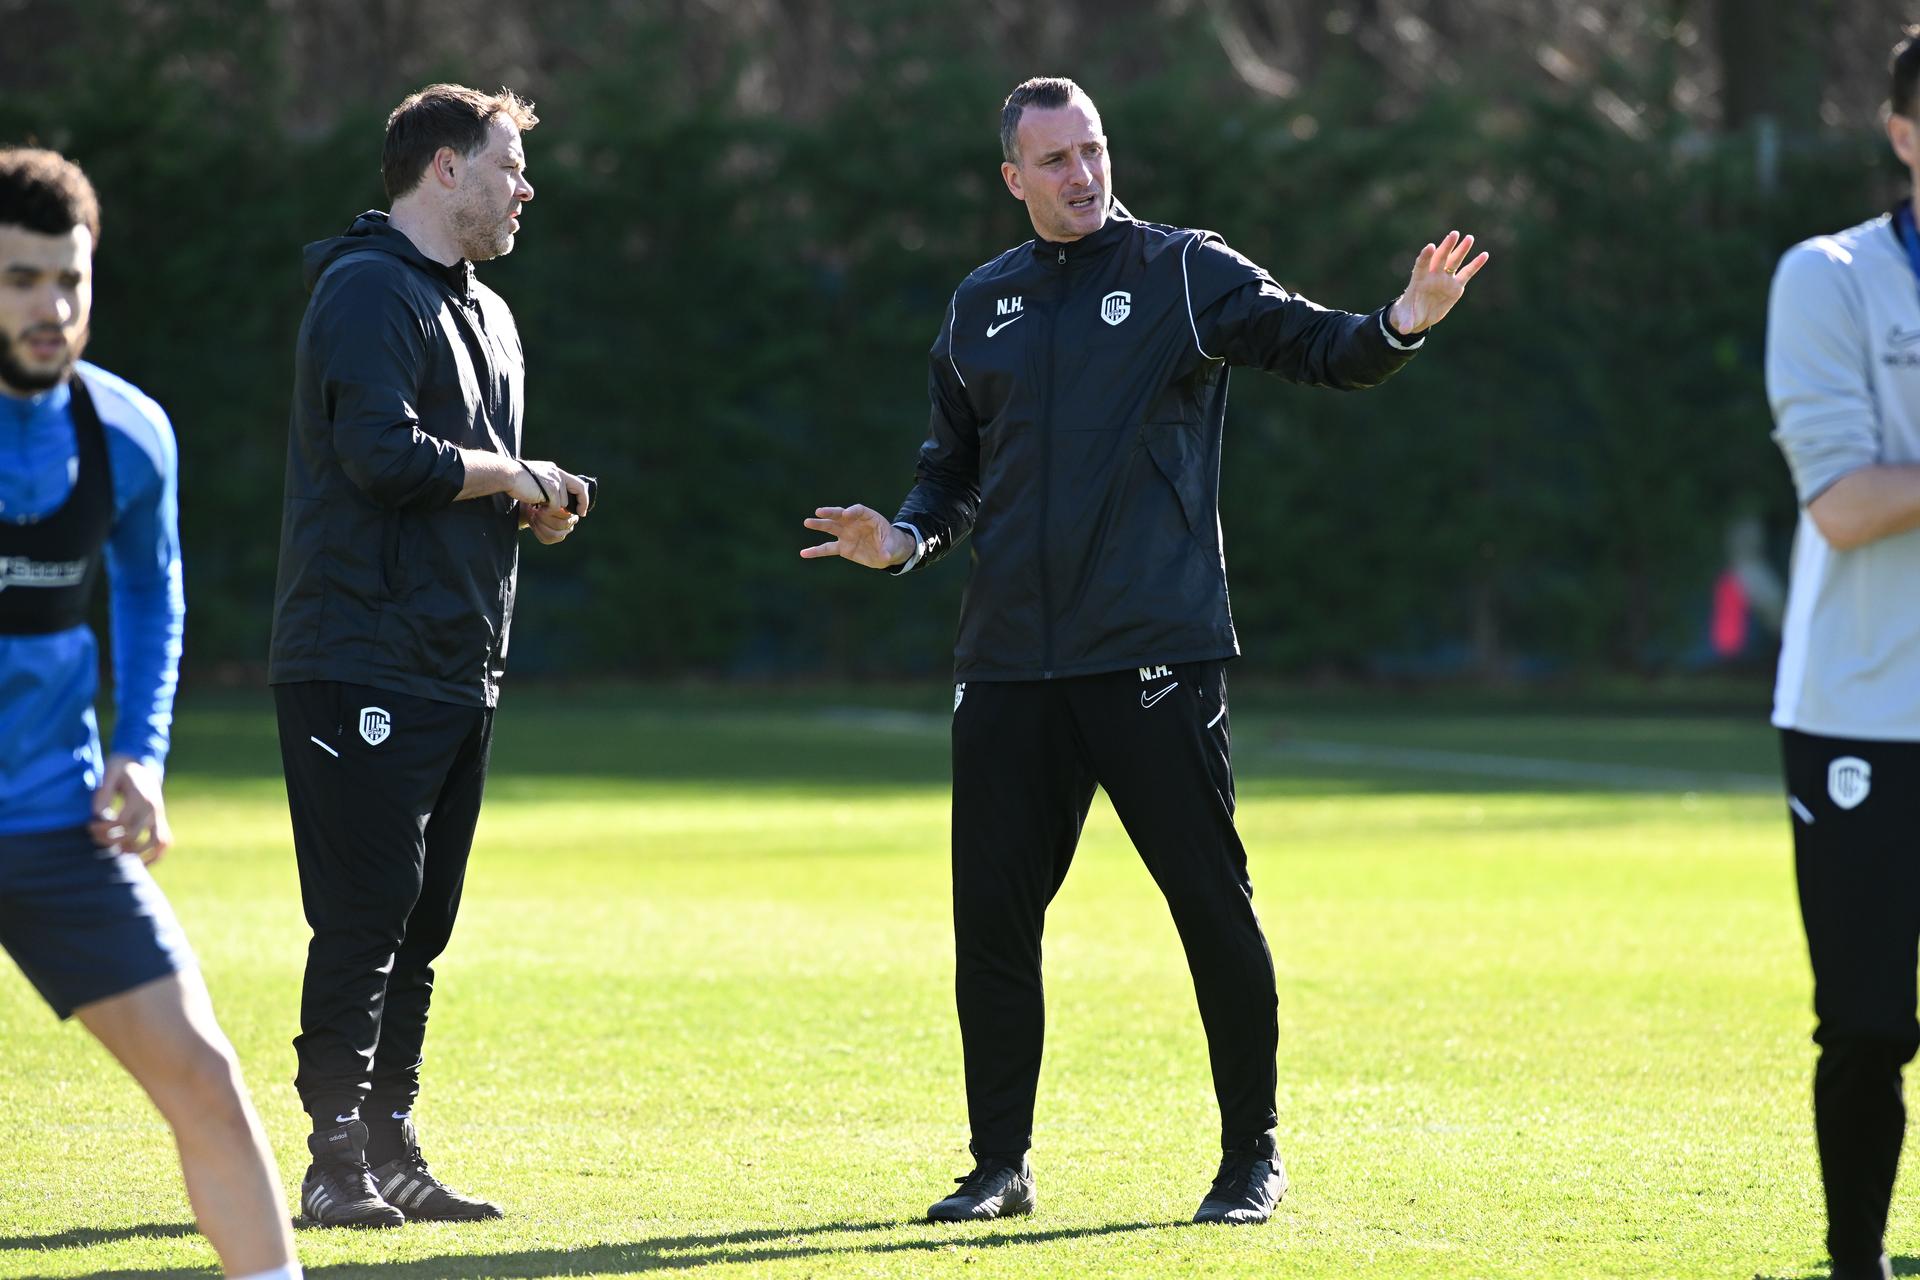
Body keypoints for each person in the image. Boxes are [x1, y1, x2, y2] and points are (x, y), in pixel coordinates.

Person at [800, 76, 1486, 1225]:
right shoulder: (982, 303)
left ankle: (1251, 1155)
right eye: (1056, 160)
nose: (1084, 175)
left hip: (1152, 651)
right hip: (1010, 661)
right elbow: (953, 468)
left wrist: (1400, 321)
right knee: (994, 920)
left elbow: (1318, 346)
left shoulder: (1181, 269)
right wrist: (907, 536)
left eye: (1095, 150)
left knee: (1210, 904)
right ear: (1012, 178)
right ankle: (997, 1164)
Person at [269, 83, 591, 1229]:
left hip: (461, 659)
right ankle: (332, 1159)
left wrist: (534, 503)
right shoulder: (364, 288)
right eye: (509, 165)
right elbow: (383, 457)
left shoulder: (491, 314)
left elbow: (467, 476)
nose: (525, 187)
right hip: (357, 655)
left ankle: (395, 1144)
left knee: (423, 920)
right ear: (444, 169)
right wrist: (515, 475)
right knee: (364, 913)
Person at [0, 148, 300, 1280]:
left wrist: (142, 754)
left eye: (69, 280)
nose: (53, 306)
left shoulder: (128, 431)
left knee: (208, 1077)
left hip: (55, 825)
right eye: (22, 279)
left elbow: (150, 593)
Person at [1766, 27, 1920, 1280]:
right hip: (1864, 711)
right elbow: (1846, 505)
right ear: (1905, 134)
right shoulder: (1828, 278)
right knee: (1868, 1024)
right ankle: (1856, 1258)